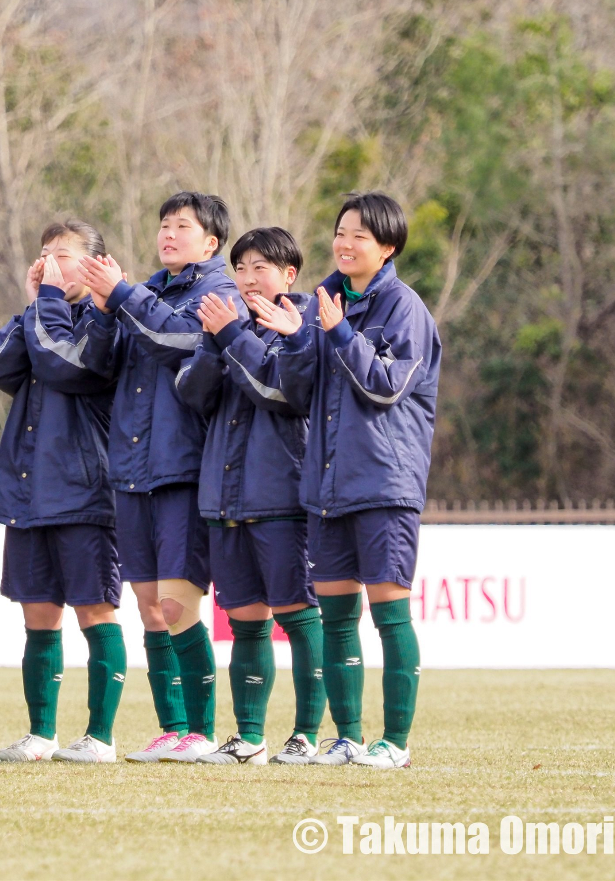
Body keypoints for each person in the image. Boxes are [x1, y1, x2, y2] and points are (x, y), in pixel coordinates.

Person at [260, 192, 441, 768]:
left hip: (385, 483)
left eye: (360, 235)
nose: (345, 242)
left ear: (388, 248)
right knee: (337, 618)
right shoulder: (320, 300)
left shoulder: (404, 308)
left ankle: (395, 744)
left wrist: (338, 334)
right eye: (341, 231)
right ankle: (348, 738)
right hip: (326, 484)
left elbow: (386, 387)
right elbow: (296, 393)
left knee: (389, 614)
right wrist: (294, 338)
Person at [78, 191, 242, 762]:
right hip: (130, 470)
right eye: (164, 225)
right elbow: (99, 368)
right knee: (149, 608)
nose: (168, 234)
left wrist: (122, 295)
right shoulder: (139, 293)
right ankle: (172, 729)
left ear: (211, 241)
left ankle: (200, 729)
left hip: (183, 470)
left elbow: (182, 341)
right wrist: (102, 310)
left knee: (178, 606)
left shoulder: (220, 292)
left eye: (182, 226)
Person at [172, 227, 327, 765]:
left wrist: (234, 333)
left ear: (289, 275)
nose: (248, 277)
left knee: (299, 614)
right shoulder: (218, 327)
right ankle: (249, 736)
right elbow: (191, 394)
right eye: (241, 268)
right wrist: (218, 340)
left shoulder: (303, 327)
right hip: (224, 497)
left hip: (281, 495)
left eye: (262, 267)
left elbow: (285, 392)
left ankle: (306, 734)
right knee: (244, 620)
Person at [0, 221, 122, 763]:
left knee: (95, 612)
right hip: (28, 491)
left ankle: (100, 737)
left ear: (94, 263)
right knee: (37, 614)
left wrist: (45, 301)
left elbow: (66, 364)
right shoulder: (40, 314)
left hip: (85, 494)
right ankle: (41, 733)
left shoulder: (106, 319)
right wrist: (36, 303)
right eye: (43, 256)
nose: (50, 266)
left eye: (62, 256)